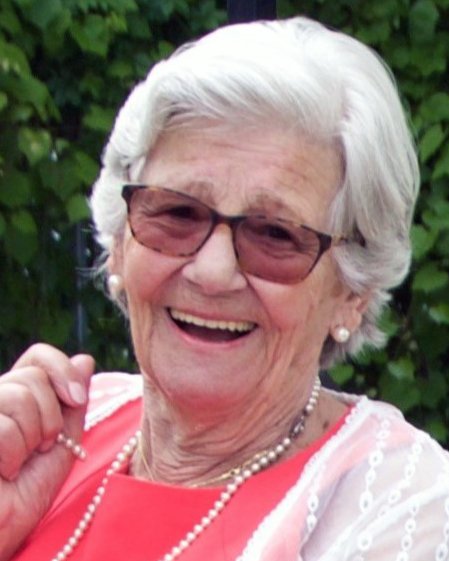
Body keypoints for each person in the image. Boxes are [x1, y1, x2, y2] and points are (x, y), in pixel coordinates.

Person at [1, 16, 448, 561]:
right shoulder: (51, 431)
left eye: (275, 235)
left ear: (352, 293)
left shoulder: (402, 506)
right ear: (119, 241)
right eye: (177, 213)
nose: (212, 272)